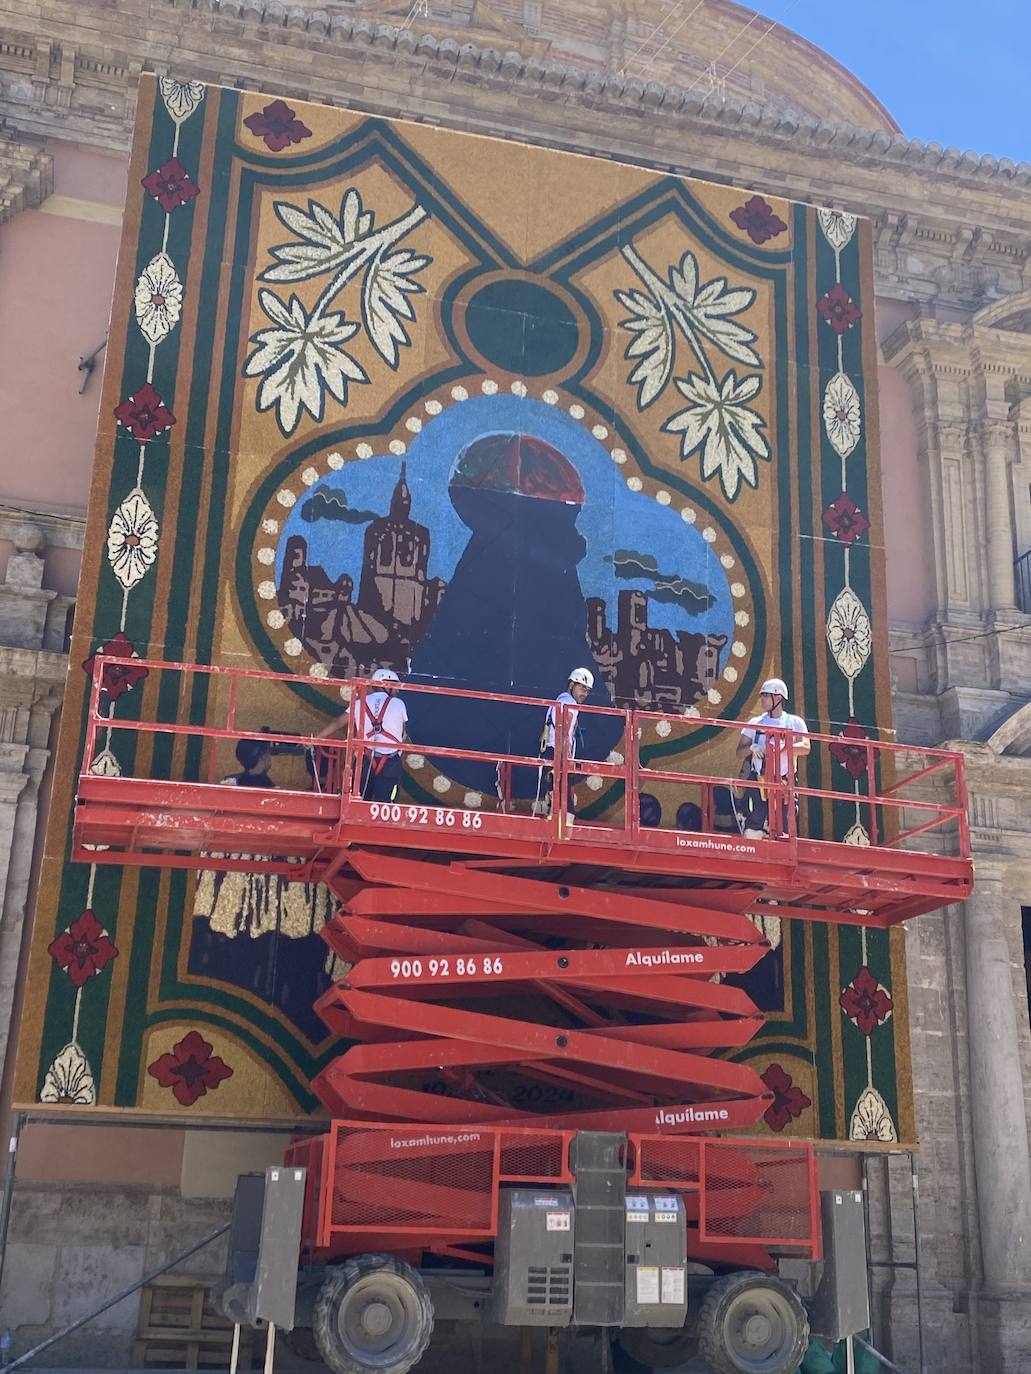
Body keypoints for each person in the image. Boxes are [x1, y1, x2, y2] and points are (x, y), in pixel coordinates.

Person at [318, 667, 408, 802]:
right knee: (385, 803)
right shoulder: (399, 704)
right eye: (395, 685)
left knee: (360, 799)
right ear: (386, 684)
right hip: (390, 761)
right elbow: (402, 733)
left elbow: (337, 723)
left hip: (365, 759)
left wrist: (315, 739)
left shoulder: (359, 703)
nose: (398, 690)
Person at [735, 677, 810, 839]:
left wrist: (783, 749)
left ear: (778, 698)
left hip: (784, 781)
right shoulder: (755, 723)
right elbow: (739, 752)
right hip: (759, 779)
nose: (762, 699)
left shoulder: (794, 722)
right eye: (762, 695)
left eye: (766, 695)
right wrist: (752, 748)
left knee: (785, 821)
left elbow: (806, 747)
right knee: (755, 818)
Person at [538, 667, 593, 824]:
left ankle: (557, 827)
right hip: (558, 755)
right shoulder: (568, 704)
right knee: (565, 803)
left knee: (557, 797)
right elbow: (564, 732)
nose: (585, 693)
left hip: (551, 753)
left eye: (587, 690)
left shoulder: (560, 701)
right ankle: (563, 833)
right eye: (582, 688)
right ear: (571, 685)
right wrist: (566, 760)